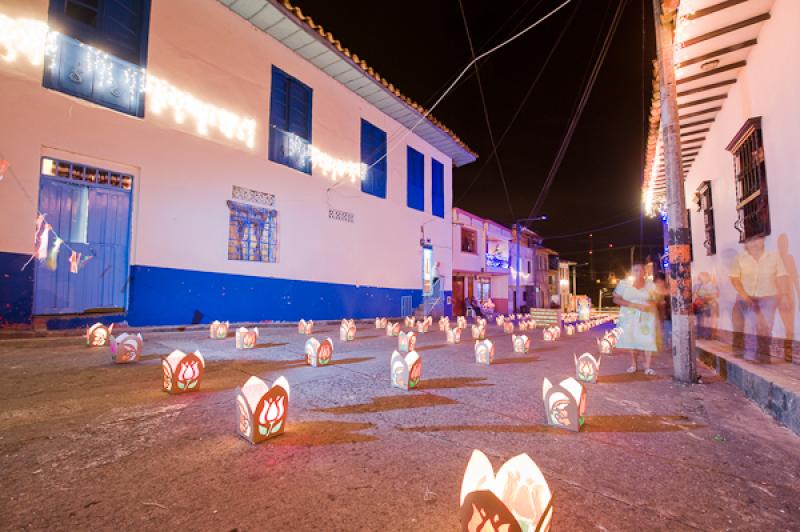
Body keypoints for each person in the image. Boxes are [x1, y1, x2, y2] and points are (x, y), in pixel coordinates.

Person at [729, 236, 789, 359]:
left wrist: (784, 296)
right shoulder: (740, 258)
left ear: (763, 241)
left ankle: (763, 356)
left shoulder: (774, 257)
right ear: (746, 243)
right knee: (751, 325)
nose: (754, 243)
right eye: (750, 240)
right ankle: (750, 356)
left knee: (766, 326)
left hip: (769, 297)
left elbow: (782, 276)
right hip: (748, 297)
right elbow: (734, 279)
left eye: (757, 239)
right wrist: (745, 296)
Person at [613, 264, 658, 375]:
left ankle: (647, 366)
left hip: (646, 316)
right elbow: (616, 299)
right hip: (629, 315)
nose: (638, 272)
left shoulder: (650, 284)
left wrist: (650, 305)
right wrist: (633, 304)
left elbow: (655, 299)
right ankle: (634, 364)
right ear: (632, 272)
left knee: (648, 339)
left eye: (641, 270)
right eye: (636, 270)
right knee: (632, 339)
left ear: (644, 272)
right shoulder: (624, 284)